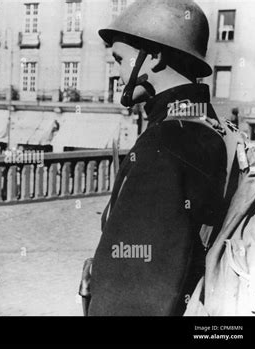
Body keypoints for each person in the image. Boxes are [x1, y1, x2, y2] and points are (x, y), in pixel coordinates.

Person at [87, 0, 227, 315]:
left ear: (155, 56)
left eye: (119, 59)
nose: (115, 71)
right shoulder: (209, 127)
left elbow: (133, 291)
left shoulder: (165, 143)